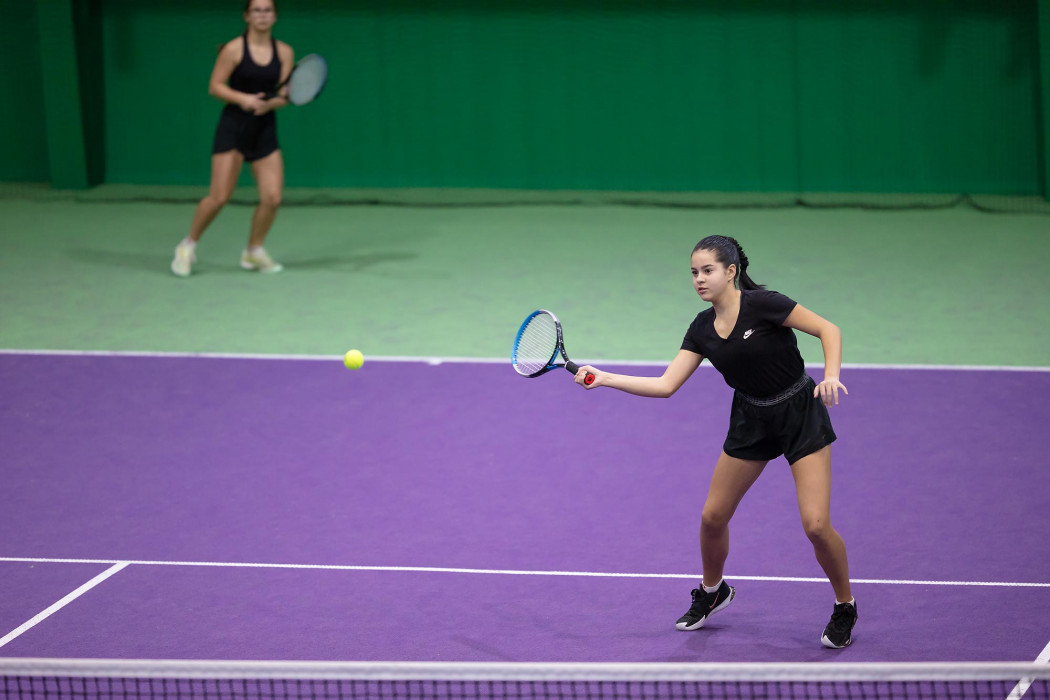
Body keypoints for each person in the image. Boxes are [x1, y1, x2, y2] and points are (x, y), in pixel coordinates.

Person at [572, 235, 858, 649]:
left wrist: (831, 375)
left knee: (815, 525)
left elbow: (827, 329)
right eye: (694, 273)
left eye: (707, 271)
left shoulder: (765, 304)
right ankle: (713, 591)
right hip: (751, 419)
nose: (699, 280)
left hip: (799, 413)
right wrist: (605, 378)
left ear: (731, 271)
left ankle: (845, 604)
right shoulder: (701, 329)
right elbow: (666, 385)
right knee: (712, 517)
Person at [171, 0, 293, 277]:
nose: (263, 15)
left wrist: (270, 104)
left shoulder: (285, 51)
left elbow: (285, 95)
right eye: (257, 10)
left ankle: (253, 251)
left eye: (268, 10)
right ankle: (187, 246)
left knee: (272, 197)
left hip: (265, 129)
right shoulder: (234, 49)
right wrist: (244, 100)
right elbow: (215, 86)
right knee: (219, 197)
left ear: (275, 16)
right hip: (234, 127)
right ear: (247, 16)